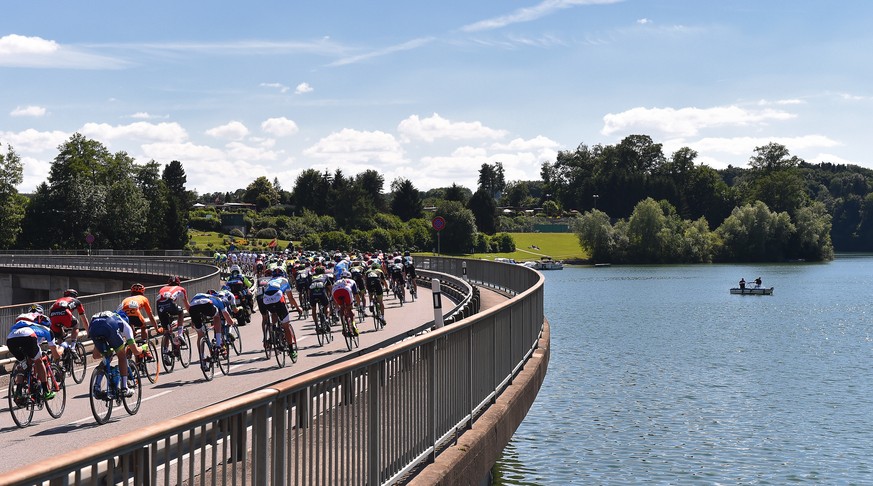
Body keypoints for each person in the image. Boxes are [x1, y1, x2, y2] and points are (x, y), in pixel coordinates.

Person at [6, 307, 57, 400]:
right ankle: (46, 391)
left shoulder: (27, 323)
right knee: (38, 361)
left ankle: (18, 392)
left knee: (24, 364)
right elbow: (55, 353)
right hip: (28, 337)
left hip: (11, 338)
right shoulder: (47, 330)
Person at [88, 310, 136, 398]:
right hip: (110, 326)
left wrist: (107, 353)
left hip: (93, 326)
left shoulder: (114, 317)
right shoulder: (125, 325)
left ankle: (97, 387)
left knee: (107, 356)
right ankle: (124, 388)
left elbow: (95, 355)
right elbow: (135, 350)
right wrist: (144, 348)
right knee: (122, 356)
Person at [188, 290, 234, 372]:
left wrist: (193, 322)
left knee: (200, 334)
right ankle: (219, 343)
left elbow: (192, 310)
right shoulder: (218, 299)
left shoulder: (199, 295)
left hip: (193, 307)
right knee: (217, 317)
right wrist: (232, 322)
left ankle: (202, 358)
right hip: (207, 305)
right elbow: (227, 317)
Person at [261, 268, 300, 358]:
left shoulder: (270, 281)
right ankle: (291, 350)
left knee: (274, 313)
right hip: (278, 296)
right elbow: (291, 298)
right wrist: (298, 308)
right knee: (286, 325)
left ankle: (273, 331)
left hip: (265, 299)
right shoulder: (285, 280)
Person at [155, 276, 190, 367]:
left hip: (159, 306)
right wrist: (193, 315)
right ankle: (180, 334)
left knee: (167, 331)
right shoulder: (181, 289)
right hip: (170, 303)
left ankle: (165, 352)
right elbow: (187, 305)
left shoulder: (162, 288)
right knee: (181, 311)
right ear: (178, 283)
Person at [48, 289, 88, 362]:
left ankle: (59, 364)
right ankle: (72, 347)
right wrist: (89, 332)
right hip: (65, 314)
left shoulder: (58, 301)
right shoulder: (76, 301)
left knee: (60, 336)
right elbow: (84, 320)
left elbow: (51, 313)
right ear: (75, 296)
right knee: (76, 324)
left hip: (52, 316)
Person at [331, 271, 359, 335]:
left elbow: (333, 299)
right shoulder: (352, 281)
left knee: (341, 307)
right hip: (346, 290)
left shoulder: (337, 282)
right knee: (350, 308)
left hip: (335, 290)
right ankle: (353, 324)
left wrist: (337, 307)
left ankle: (344, 327)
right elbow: (356, 294)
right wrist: (358, 303)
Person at [366, 261, 388, 326]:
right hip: (377, 282)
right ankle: (382, 317)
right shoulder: (379, 271)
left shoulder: (368, 271)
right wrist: (387, 288)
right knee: (381, 302)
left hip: (369, 282)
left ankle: (371, 303)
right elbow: (384, 281)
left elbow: (365, 281)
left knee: (371, 293)